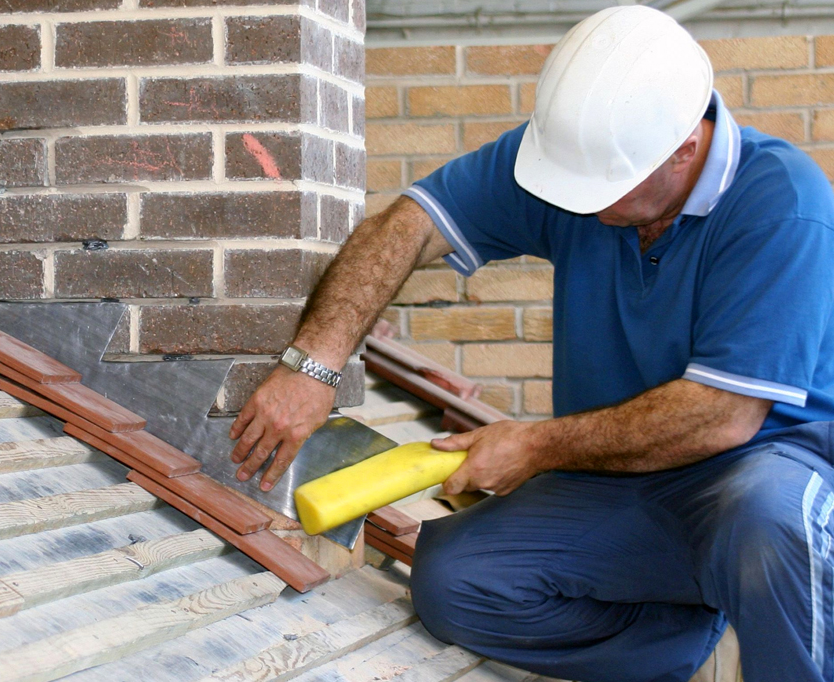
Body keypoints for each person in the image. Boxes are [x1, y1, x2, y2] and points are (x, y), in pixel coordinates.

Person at [229, 6, 834, 681]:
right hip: (623, 477)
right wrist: (314, 364)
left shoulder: (782, 203)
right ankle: (670, 640)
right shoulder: (576, 161)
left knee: (768, 527)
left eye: (604, 191)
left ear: (685, 149)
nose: (582, 205)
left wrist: (533, 445)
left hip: (762, 468)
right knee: (455, 580)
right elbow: (408, 227)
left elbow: (722, 416)